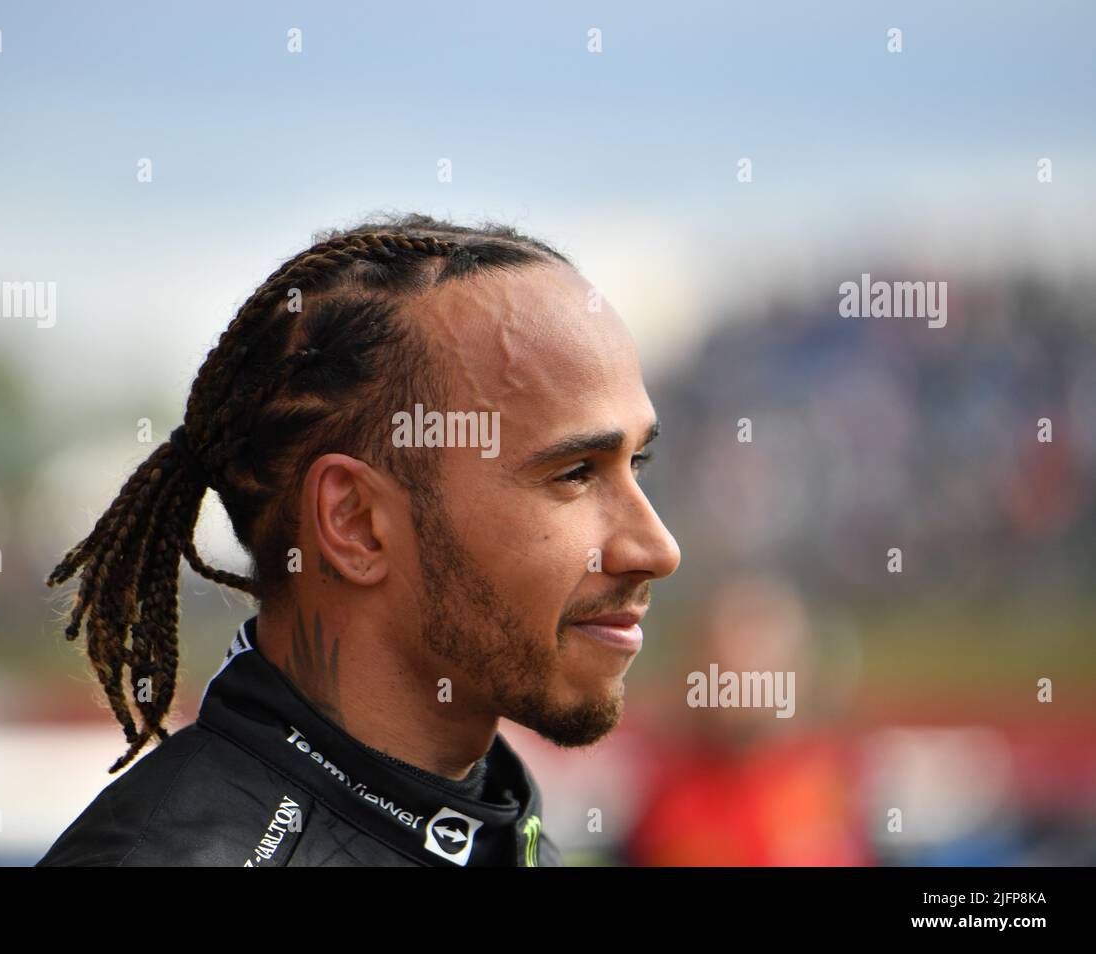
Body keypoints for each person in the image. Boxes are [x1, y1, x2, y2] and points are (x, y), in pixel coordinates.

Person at [37, 213, 681, 866]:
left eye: (637, 465)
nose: (657, 549)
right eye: (575, 474)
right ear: (356, 523)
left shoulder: (497, 815)